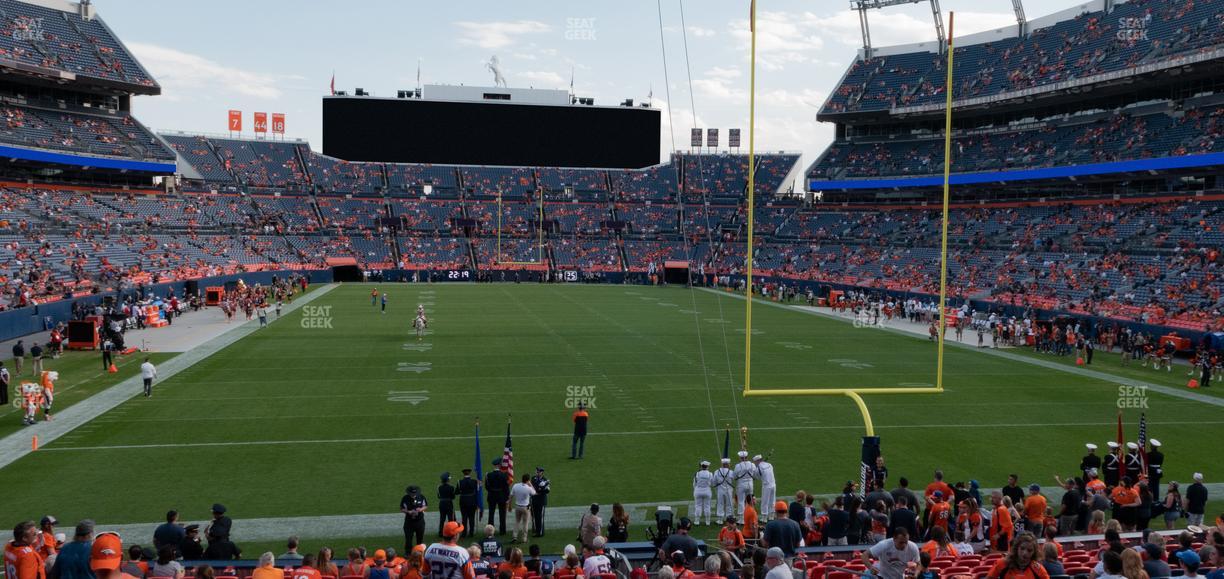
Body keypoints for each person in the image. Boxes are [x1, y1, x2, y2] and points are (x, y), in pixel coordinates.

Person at [484, 460, 509, 535]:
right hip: (501, 496)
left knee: (491, 514)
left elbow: (487, 486)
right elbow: (506, 487)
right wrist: (507, 496)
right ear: (499, 465)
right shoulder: (504, 475)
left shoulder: (488, 475)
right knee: (502, 514)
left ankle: (490, 531)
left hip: (492, 495)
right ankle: (502, 530)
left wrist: (492, 491)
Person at [509, 474, 536, 544]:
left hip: (517, 506)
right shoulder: (528, 488)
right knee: (525, 523)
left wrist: (509, 505)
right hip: (525, 507)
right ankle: (524, 538)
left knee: (517, 521)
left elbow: (511, 496)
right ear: (528, 480)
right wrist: (531, 484)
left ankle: (514, 536)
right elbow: (534, 492)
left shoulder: (515, 485)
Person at [402, 485, 429, 551]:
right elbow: (402, 508)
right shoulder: (405, 498)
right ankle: (408, 553)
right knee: (408, 539)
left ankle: (419, 553)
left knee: (420, 539)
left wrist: (421, 509)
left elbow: (425, 506)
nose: (413, 495)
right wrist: (408, 512)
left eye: (414, 493)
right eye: (412, 494)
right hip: (409, 522)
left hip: (420, 522)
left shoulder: (421, 497)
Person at [457, 469, 481, 538]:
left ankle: (464, 533)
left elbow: (457, 492)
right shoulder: (474, 481)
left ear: (464, 474)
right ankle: (471, 533)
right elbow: (477, 490)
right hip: (472, 501)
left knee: (464, 518)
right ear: (469, 474)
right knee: (471, 517)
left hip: (463, 502)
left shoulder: (460, 482)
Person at [733, 452, 757, 518]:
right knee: (750, 501)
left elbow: (734, 476)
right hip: (750, 484)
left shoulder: (738, 466)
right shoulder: (752, 465)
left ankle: (742, 518)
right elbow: (755, 475)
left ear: (740, 458)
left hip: (741, 485)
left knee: (741, 501)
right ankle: (751, 515)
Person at [753, 455, 776, 521]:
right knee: (772, 500)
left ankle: (764, 518)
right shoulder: (769, 464)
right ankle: (771, 516)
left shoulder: (758, 468)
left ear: (757, 461)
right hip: (773, 484)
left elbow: (757, 477)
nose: (755, 464)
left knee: (764, 502)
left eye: (755, 462)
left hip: (766, 486)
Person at [530, 467, 550, 537]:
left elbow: (547, 491)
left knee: (540, 517)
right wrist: (540, 487)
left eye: (538, 472)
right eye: (536, 471)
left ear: (542, 472)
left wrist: (540, 489)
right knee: (534, 516)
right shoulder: (533, 478)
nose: (537, 472)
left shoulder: (545, 480)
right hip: (534, 500)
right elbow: (532, 487)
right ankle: (536, 529)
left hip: (541, 501)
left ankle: (540, 532)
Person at [692, 461, 714, 526]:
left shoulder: (697, 474)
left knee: (698, 506)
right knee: (707, 506)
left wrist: (696, 489)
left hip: (698, 490)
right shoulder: (710, 474)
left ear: (701, 466)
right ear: (707, 467)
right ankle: (708, 522)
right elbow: (712, 483)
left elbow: (694, 484)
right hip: (707, 491)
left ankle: (697, 521)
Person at [438, 473, 457, 537]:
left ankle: (440, 532)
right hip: (449, 503)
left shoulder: (439, 487)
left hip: (442, 504)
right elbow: (453, 497)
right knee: (451, 519)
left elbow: (438, 496)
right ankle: (451, 531)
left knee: (442, 519)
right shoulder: (451, 487)